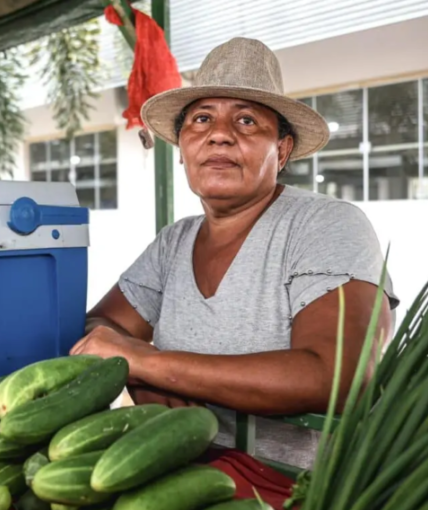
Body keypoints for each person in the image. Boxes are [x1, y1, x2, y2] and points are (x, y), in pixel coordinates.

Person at [70, 37, 399, 470]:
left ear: (282, 150)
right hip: (186, 471)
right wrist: (142, 370)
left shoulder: (325, 225)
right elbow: (100, 327)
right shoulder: (174, 242)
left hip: (301, 486)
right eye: (202, 119)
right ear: (182, 148)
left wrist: (151, 362)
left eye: (246, 121)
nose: (220, 135)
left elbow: (339, 375)